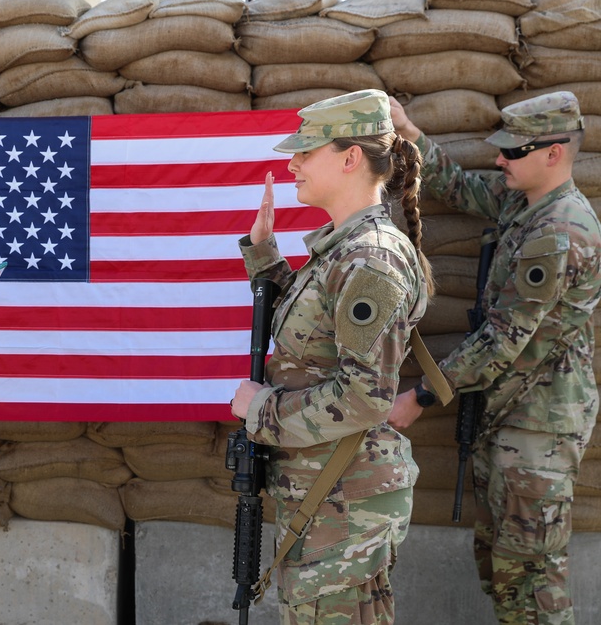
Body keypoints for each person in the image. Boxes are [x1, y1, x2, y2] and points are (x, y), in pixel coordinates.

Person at [389, 91, 601, 625]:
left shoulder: (558, 232)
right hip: (508, 415)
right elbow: (459, 187)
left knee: (532, 579)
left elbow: (505, 337)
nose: (500, 159)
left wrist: (419, 395)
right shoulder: (524, 203)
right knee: (503, 570)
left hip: (539, 428)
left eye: (513, 150)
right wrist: (409, 134)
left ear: (554, 153)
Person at [230, 89, 433, 624]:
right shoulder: (344, 249)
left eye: (306, 150)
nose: (292, 162)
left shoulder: (369, 259)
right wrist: (266, 258)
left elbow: (366, 398)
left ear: (350, 158)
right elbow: (311, 343)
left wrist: (261, 411)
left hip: (345, 503)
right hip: (326, 495)